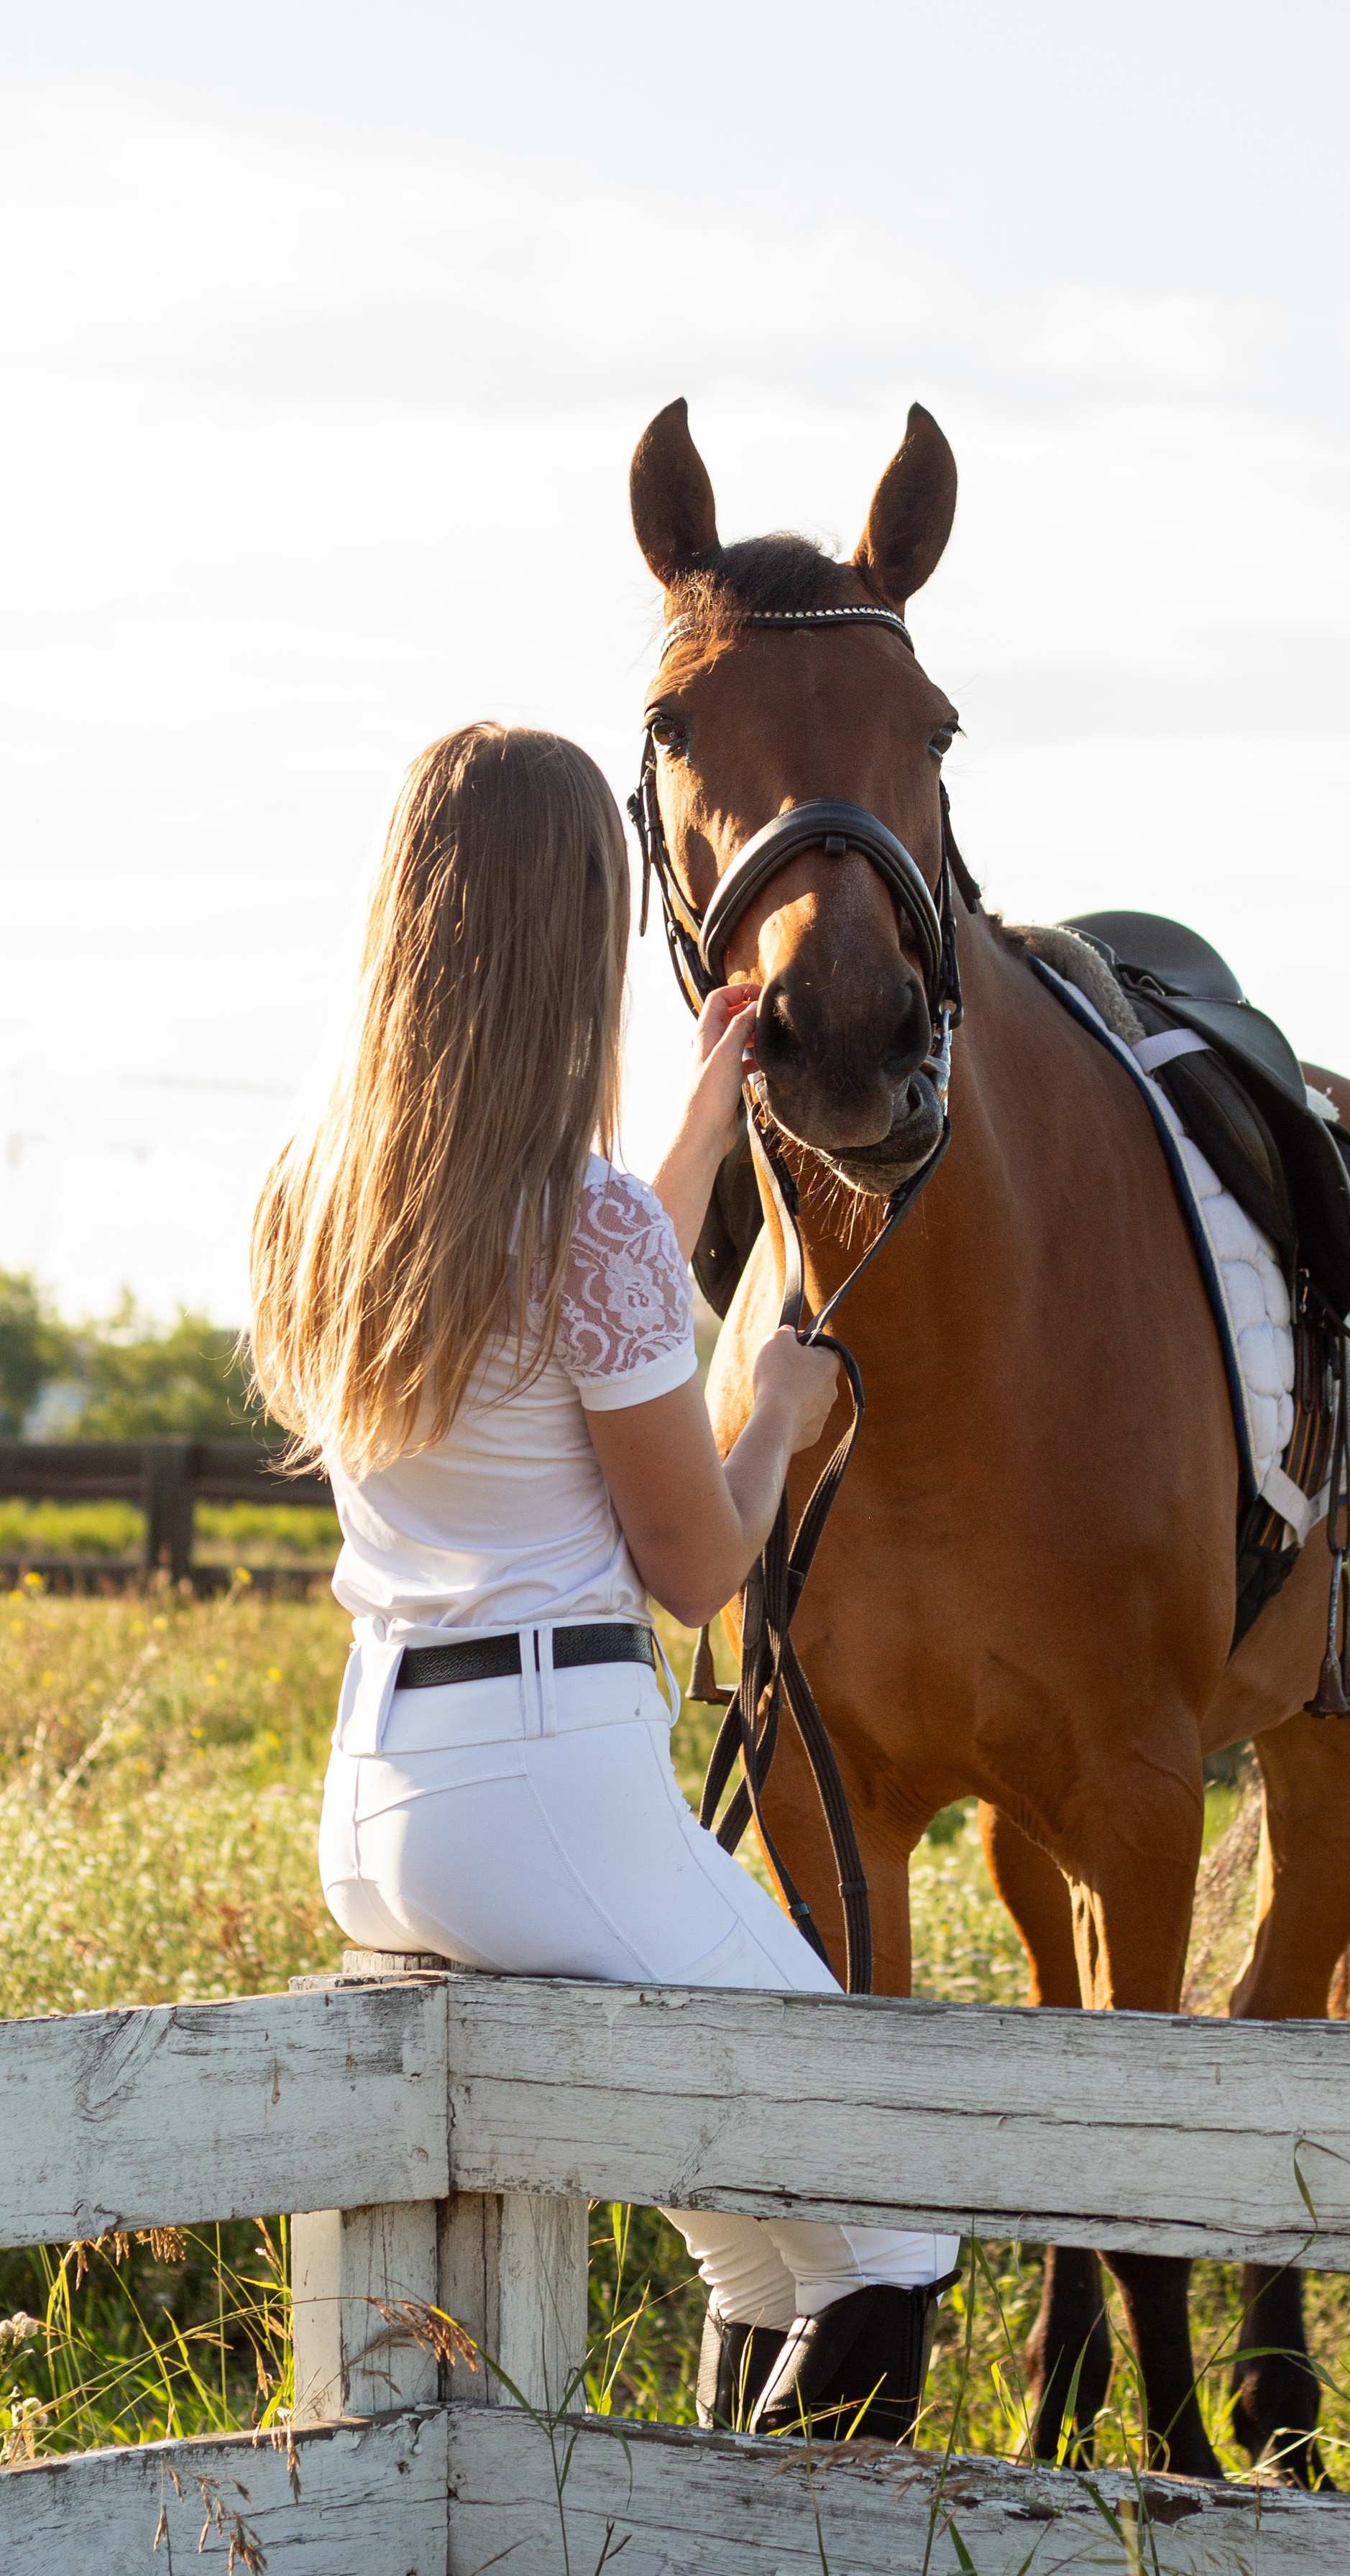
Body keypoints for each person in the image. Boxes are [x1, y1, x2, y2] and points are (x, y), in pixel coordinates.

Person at [248, 721, 956, 2441]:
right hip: (549, 1785)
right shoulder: (590, 1228)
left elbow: (552, 1310)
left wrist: (702, 1122)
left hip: (389, 1792)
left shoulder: (320, 1201)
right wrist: (775, 1412)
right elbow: (699, 1565)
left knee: (755, 2252)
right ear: (577, 932)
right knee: (898, 2220)